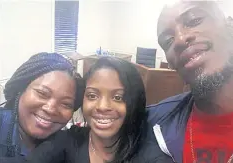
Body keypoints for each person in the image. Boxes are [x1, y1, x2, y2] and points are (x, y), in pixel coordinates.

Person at [24, 56, 173, 163]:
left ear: (134, 102)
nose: (102, 107)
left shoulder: (150, 156)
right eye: (92, 95)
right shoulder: (67, 141)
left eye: (118, 98)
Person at [148, 1, 233, 163]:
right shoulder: (151, 125)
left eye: (194, 21)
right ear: (171, 64)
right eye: (168, 41)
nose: (179, 40)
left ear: (230, 26)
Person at [0, 52, 84, 160]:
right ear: (21, 89)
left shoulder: (66, 146)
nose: (50, 109)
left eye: (66, 104)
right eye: (42, 93)